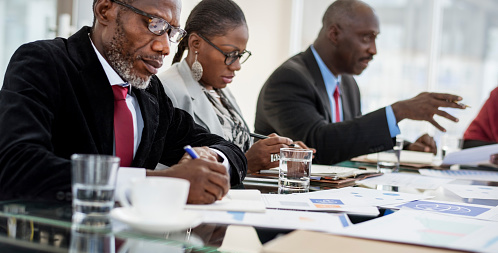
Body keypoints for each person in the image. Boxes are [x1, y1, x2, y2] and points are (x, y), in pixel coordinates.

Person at [0, 0, 247, 204]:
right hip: (46, 252)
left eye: (171, 32)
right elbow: (16, 166)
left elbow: (225, 148)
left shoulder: (150, 92)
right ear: (105, 10)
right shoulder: (44, 63)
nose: (164, 48)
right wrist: (159, 183)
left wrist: (210, 159)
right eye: (154, 24)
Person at [255, 0, 465, 165]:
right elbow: (318, 146)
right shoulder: (290, 79)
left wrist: (408, 149)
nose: (373, 50)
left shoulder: (347, 83)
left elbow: (349, 141)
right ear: (334, 34)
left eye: (375, 39)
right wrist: (398, 111)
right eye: (366, 38)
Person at [158, 0, 311, 174]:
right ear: (195, 44)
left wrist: (276, 151)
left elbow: (234, 143)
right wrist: (246, 162)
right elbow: (169, 171)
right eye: (230, 54)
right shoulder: (166, 90)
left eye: (240, 55)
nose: (237, 65)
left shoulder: (218, 90)